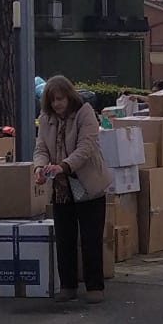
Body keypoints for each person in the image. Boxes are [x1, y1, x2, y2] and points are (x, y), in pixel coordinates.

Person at [33, 75, 112, 304]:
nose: (57, 103)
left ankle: (94, 286)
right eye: (53, 100)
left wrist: (64, 166)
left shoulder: (85, 112)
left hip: (87, 183)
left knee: (90, 237)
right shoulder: (45, 118)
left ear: (69, 96)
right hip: (61, 187)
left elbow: (86, 146)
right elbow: (41, 148)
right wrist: (40, 168)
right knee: (64, 237)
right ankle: (67, 285)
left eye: (61, 98)